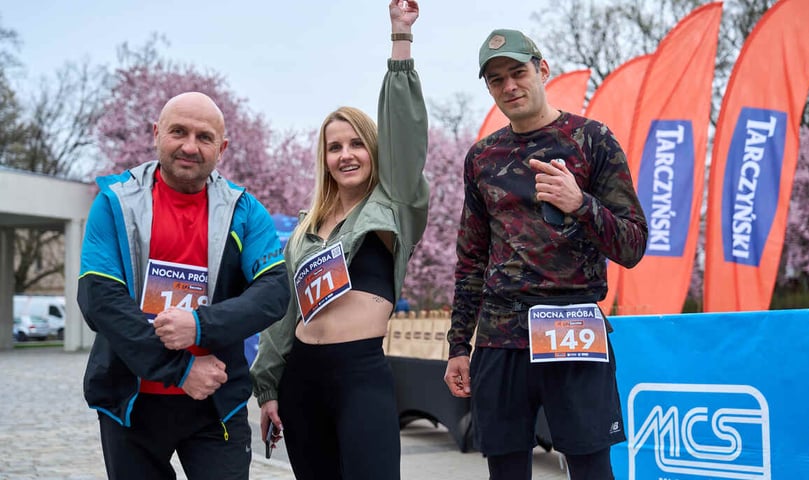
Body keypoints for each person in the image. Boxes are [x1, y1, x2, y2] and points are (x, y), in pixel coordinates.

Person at [443, 29, 648, 479]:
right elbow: (471, 258)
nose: (510, 86)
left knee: (591, 467)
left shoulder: (593, 140)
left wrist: (581, 205)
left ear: (542, 70)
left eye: (518, 72)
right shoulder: (482, 158)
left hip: (572, 327)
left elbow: (633, 245)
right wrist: (459, 344)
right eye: (496, 80)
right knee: (506, 470)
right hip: (500, 336)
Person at [249, 1, 428, 479]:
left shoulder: (393, 207)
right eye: (334, 147)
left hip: (360, 373)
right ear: (323, 158)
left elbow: (406, 136)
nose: (345, 155)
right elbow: (283, 314)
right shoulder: (307, 228)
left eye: (356, 144)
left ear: (373, 150)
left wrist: (400, 42)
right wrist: (267, 388)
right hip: (301, 378)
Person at [77, 91, 290, 480]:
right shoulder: (115, 203)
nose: (190, 146)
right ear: (156, 133)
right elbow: (99, 300)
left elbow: (274, 291)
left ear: (221, 148)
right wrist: (179, 369)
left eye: (204, 137)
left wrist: (201, 325)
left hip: (216, 404)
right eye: (178, 132)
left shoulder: (244, 210)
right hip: (130, 403)